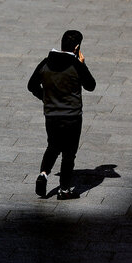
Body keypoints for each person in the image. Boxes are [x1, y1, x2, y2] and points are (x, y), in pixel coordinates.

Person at [27, 30, 96, 200]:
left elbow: (31, 85)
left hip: (51, 115)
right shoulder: (75, 65)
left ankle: (43, 174)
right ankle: (64, 190)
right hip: (72, 116)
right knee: (69, 153)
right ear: (77, 47)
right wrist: (83, 63)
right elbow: (91, 85)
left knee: (53, 146)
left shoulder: (45, 62)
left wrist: (45, 98)